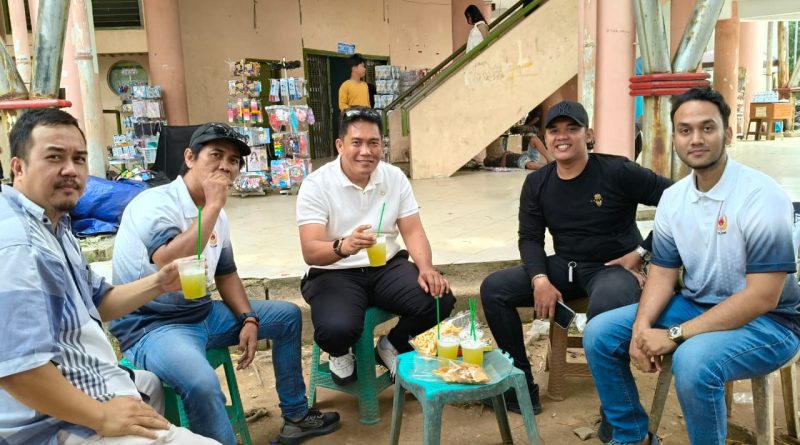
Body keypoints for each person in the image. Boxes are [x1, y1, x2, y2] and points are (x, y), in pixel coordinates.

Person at [583, 88, 800, 445]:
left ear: (728, 134)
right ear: (675, 138)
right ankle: (632, 437)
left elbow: (763, 296)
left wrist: (674, 334)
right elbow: (662, 273)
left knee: (692, 362)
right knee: (600, 333)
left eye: (707, 128)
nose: (695, 139)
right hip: (698, 304)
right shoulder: (674, 199)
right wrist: (641, 327)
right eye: (685, 130)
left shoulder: (761, 196)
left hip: (770, 322)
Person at [109, 123, 339, 445]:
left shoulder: (218, 216)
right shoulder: (154, 203)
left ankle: (297, 417)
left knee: (286, 316)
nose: (225, 166)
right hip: (153, 325)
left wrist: (248, 318)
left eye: (233, 161)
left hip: (202, 313)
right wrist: (213, 206)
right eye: (215, 155)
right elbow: (168, 261)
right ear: (190, 158)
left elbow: (226, 274)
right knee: (202, 383)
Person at [0, 108, 219, 445]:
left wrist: (159, 282)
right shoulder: (18, 244)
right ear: (18, 167)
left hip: (92, 379)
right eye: (54, 157)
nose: (70, 169)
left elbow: (99, 301)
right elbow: (19, 369)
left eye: (79, 158)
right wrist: (101, 417)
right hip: (59, 424)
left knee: (147, 385)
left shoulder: (54, 226)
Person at [480, 100, 672, 415]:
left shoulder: (617, 171)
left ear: (589, 134)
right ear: (546, 138)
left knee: (606, 307)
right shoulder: (538, 182)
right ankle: (520, 389)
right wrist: (539, 279)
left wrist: (642, 252)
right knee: (495, 288)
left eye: (572, 129)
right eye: (554, 130)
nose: (562, 136)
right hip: (566, 265)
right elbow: (530, 238)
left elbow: (678, 200)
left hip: (614, 268)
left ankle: (617, 412)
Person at [296, 106, 456, 385]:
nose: (366, 152)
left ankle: (391, 344)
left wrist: (426, 267)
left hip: (385, 266)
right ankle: (339, 351)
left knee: (439, 299)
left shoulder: (394, 177)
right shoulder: (316, 185)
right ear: (340, 145)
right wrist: (343, 246)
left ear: (382, 145)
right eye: (356, 143)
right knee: (336, 329)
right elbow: (310, 250)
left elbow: (413, 231)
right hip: (334, 271)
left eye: (373, 143)